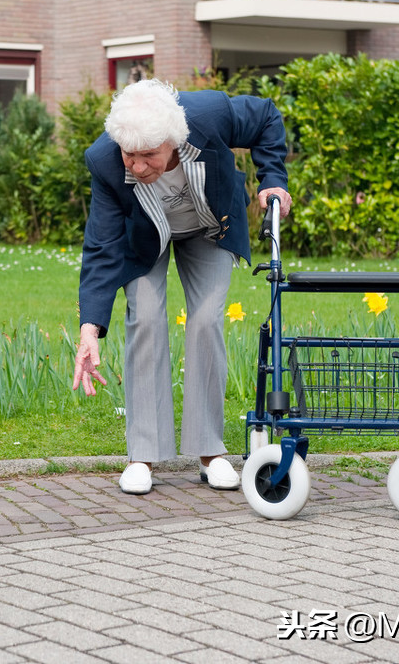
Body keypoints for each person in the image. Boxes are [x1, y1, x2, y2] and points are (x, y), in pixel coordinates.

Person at [72, 79, 292, 495]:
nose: (136, 167)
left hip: (208, 227)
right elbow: (101, 245)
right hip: (145, 238)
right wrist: (90, 329)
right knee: (148, 316)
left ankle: (211, 453)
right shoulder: (103, 160)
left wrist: (272, 179)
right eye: (129, 155)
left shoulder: (209, 116)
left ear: (173, 141)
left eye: (149, 156)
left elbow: (266, 117)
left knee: (207, 319)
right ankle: (142, 456)